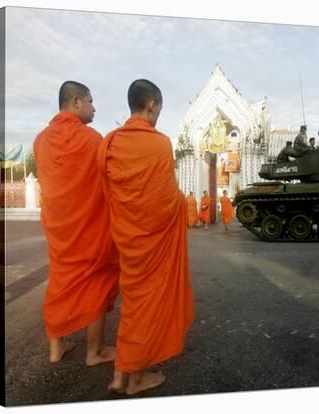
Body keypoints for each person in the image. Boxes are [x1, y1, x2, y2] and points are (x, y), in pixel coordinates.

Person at [98, 79, 195, 395]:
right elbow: (164, 200)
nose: (158, 117)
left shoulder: (109, 142)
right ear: (151, 105)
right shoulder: (160, 143)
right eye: (159, 110)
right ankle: (136, 379)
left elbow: (107, 193)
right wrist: (183, 205)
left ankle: (120, 373)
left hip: (127, 238)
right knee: (147, 308)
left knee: (134, 305)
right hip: (154, 241)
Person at [33, 81, 120, 366]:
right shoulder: (92, 140)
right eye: (91, 101)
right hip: (90, 230)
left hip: (60, 231)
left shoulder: (40, 140)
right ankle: (94, 352)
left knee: (60, 282)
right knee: (97, 281)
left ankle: (56, 348)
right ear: (75, 102)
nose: (94, 107)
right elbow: (111, 179)